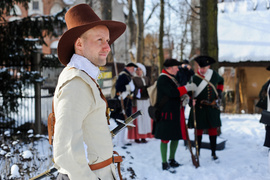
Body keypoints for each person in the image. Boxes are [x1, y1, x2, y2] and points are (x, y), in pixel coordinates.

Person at [53, 4, 126, 180]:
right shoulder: (76, 83)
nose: (107, 47)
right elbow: (66, 151)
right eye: (99, 40)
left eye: (107, 41)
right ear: (79, 43)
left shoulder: (84, 77)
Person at [153, 58, 195, 172]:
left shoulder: (172, 78)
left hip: (175, 112)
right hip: (166, 113)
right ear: (169, 68)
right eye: (176, 67)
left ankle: (172, 159)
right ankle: (164, 162)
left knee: (176, 136)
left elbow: (176, 94)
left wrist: (184, 96)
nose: (178, 69)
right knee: (165, 138)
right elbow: (172, 93)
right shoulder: (162, 79)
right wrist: (186, 88)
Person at [187, 55, 224, 161]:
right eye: (201, 67)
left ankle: (213, 152)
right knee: (198, 130)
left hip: (212, 107)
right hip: (199, 108)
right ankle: (197, 152)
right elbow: (189, 92)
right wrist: (190, 100)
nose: (202, 70)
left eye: (204, 67)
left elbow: (221, 81)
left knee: (213, 130)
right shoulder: (194, 78)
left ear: (208, 66)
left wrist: (220, 92)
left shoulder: (214, 75)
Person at [110, 62, 137, 147]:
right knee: (120, 122)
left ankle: (122, 141)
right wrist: (128, 88)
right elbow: (119, 87)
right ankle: (118, 142)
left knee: (124, 122)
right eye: (133, 68)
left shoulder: (128, 76)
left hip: (126, 102)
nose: (134, 70)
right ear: (128, 68)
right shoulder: (123, 75)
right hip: (121, 102)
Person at [128, 63, 153, 143]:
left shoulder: (147, 78)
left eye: (140, 69)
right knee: (138, 119)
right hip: (138, 102)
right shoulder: (133, 79)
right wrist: (140, 90)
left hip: (146, 101)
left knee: (146, 118)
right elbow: (132, 90)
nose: (139, 71)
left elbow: (150, 88)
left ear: (143, 70)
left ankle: (144, 136)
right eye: (137, 70)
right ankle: (137, 137)